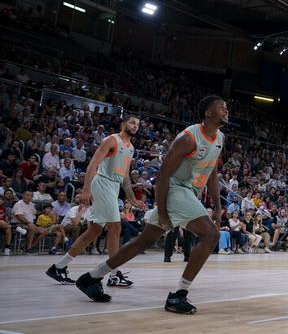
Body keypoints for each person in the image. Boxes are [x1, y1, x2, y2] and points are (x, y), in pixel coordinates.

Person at [74, 96, 227, 314]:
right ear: (208, 113)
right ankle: (178, 295)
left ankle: (91, 277)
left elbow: (212, 173)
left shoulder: (220, 137)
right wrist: (162, 211)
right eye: (221, 107)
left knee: (144, 240)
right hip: (175, 189)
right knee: (211, 235)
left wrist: (218, 206)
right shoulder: (188, 138)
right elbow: (163, 176)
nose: (226, 110)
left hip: (189, 192)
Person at [46, 115, 144, 287]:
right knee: (115, 227)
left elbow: (126, 176)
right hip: (103, 183)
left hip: (114, 186)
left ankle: (59, 267)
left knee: (94, 231)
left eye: (138, 124)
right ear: (123, 124)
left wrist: (133, 199)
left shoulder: (131, 148)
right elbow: (92, 164)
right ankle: (114, 274)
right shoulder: (111, 140)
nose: (135, 126)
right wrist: (86, 189)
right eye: (132, 122)